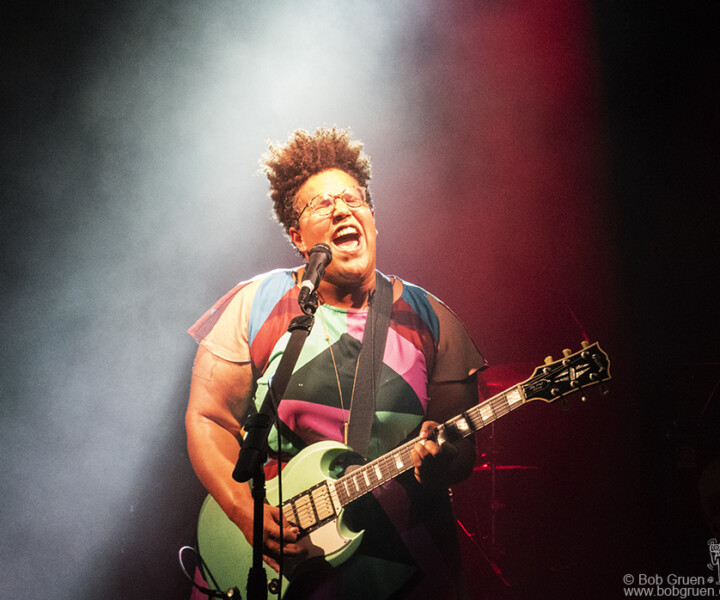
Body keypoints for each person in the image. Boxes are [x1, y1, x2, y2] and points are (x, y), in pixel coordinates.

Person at [186, 126, 486, 599]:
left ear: (372, 217)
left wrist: (442, 457)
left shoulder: (433, 319)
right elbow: (208, 418)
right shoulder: (258, 303)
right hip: (273, 567)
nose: (342, 208)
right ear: (297, 237)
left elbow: (461, 449)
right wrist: (246, 512)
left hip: (403, 570)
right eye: (322, 204)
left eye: (354, 199)